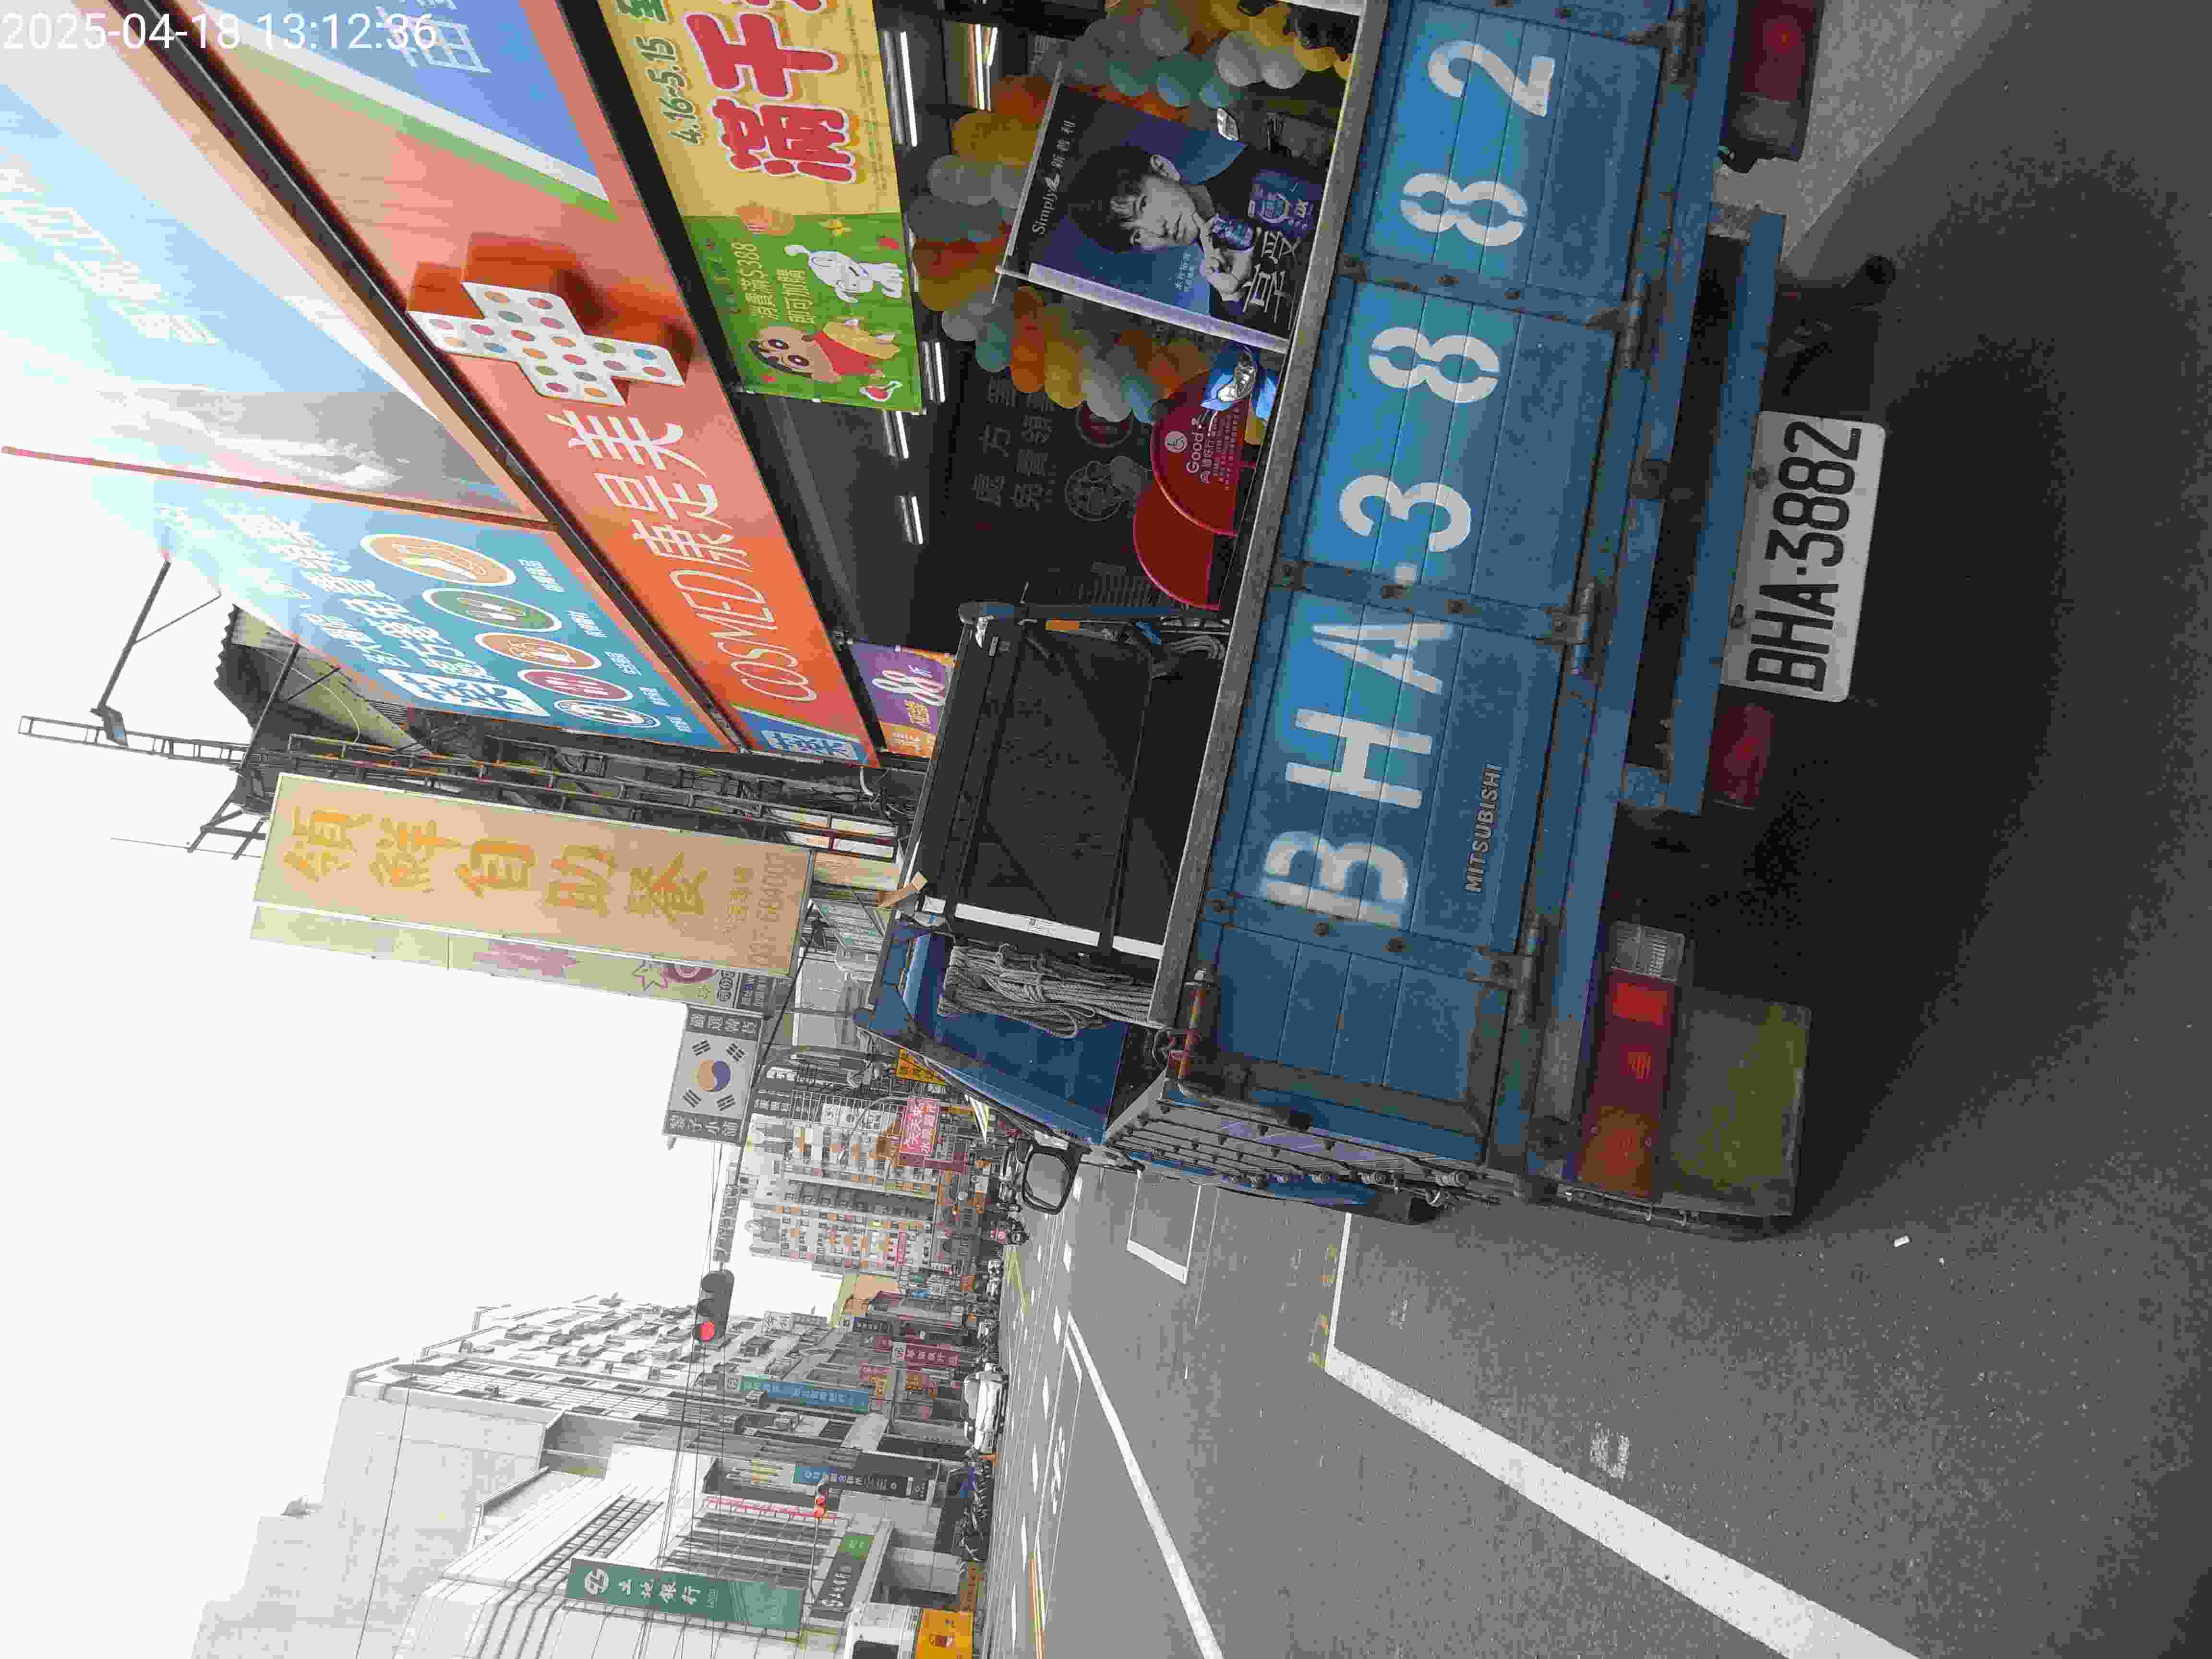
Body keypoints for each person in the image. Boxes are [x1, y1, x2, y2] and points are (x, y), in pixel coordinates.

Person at [1064, 142, 1322, 336]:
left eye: (1143, 205)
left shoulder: (1257, 167)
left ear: (1164, 169)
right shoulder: (1223, 302)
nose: (1158, 231)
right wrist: (1235, 296)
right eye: (1137, 236)